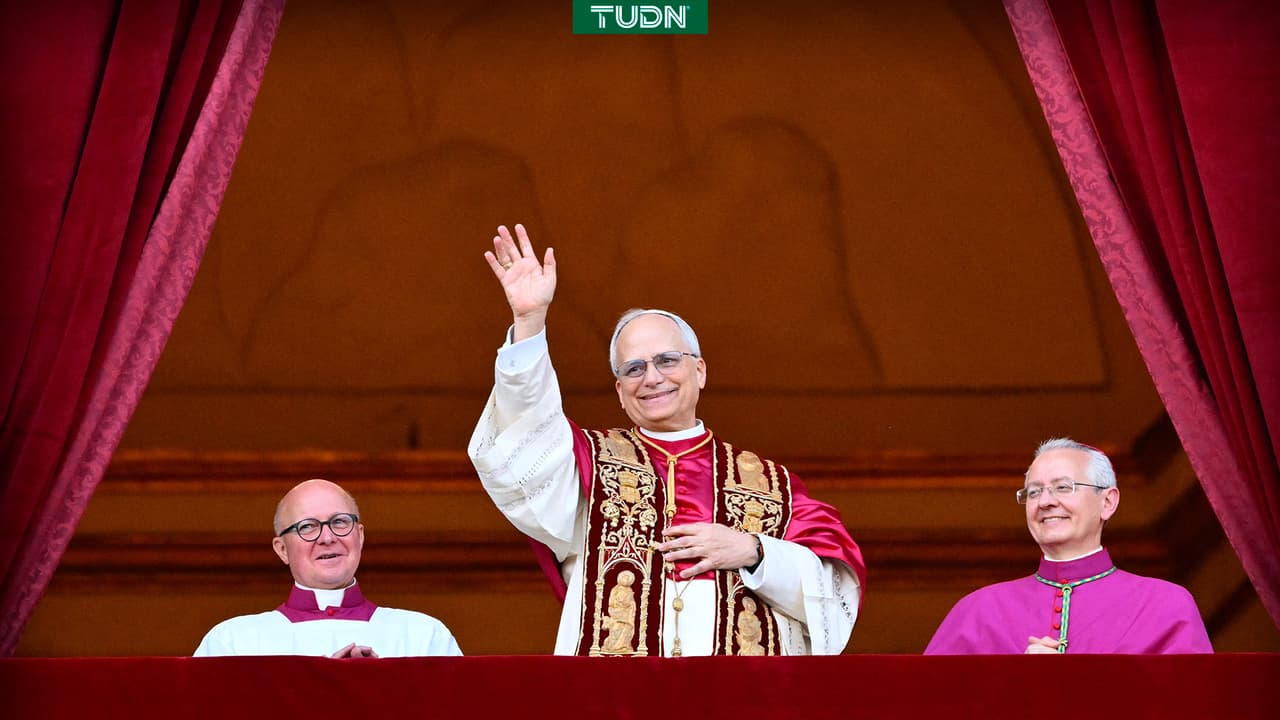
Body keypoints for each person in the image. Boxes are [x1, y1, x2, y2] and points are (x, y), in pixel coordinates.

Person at [468, 223, 865, 656]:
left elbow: (834, 591)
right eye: (633, 369)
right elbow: (526, 432)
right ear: (620, 392)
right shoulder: (585, 467)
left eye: (667, 360)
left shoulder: (771, 484)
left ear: (700, 371)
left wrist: (754, 550)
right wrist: (529, 323)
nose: (652, 377)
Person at [925, 438, 1213, 654]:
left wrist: (1072, 684)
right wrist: (1012, 683)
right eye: (1034, 491)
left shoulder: (1165, 605)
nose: (1046, 501)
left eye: (1063, 487)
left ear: (1108, 502)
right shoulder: (978, 611)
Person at [194, 479, 462, 658]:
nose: (327, 537)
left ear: (360, 536)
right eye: (307, 527)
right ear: (282, 549)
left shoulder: (424, 637)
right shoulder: (232, 644)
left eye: (340, 522)